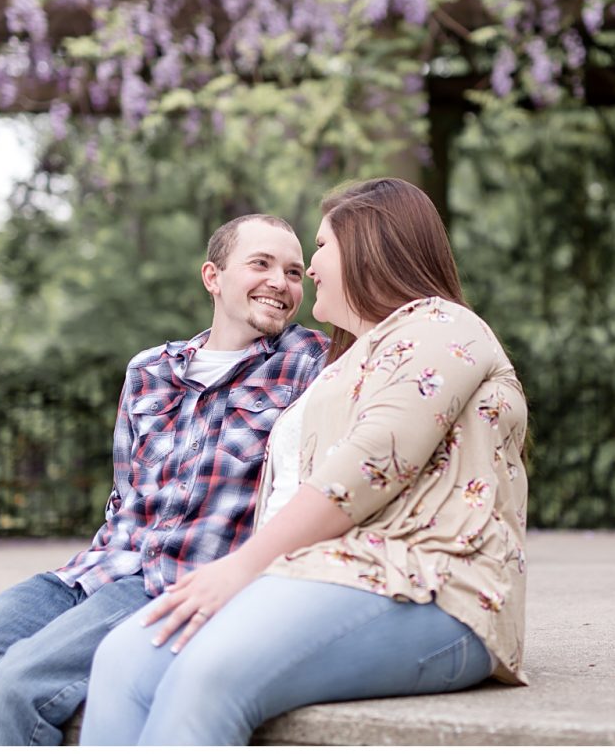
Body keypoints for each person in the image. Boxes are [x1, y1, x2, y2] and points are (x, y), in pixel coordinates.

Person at [78, 178, 528, 746]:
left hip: (437, 587)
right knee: (124, 655)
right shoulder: (342, 363)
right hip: (330, 575)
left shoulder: (441, 325)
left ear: (369, 247)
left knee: (208, 674)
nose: (310, 269)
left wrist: (240, 567)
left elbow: (368, 466)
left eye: (319, 248)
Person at [0, 214, 328, 746]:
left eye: (295, 272)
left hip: (173, 583)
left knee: (16, 686)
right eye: (261, 264)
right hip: (92, 572)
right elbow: (125, 496)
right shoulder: (149, 371)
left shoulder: (311, 362)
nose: (280, 281)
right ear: (213, 276)